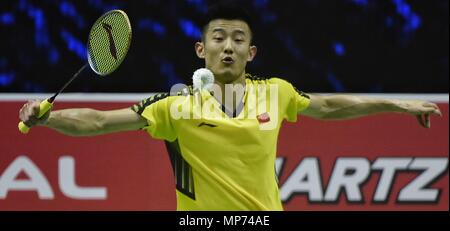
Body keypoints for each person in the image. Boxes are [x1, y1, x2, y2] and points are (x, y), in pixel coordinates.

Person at [19, 4, 442, 211]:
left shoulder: (275, 92)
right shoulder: (175, 105)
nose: (228, 46)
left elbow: (330, 106)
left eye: (238, 39)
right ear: (201, 49)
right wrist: (49, 119)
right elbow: (96, 122)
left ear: (251, 52)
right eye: (219, 37)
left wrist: (396, 104)